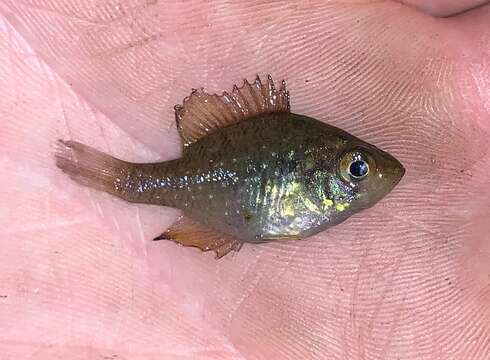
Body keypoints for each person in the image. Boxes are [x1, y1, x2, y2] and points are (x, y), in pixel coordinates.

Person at [1, 0, 488, 358]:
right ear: (317, 170)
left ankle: (123, 181)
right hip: (225, 206)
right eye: (354, 168)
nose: (371, 176)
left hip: (230, 212)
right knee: (136, 183)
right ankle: (121, 180)